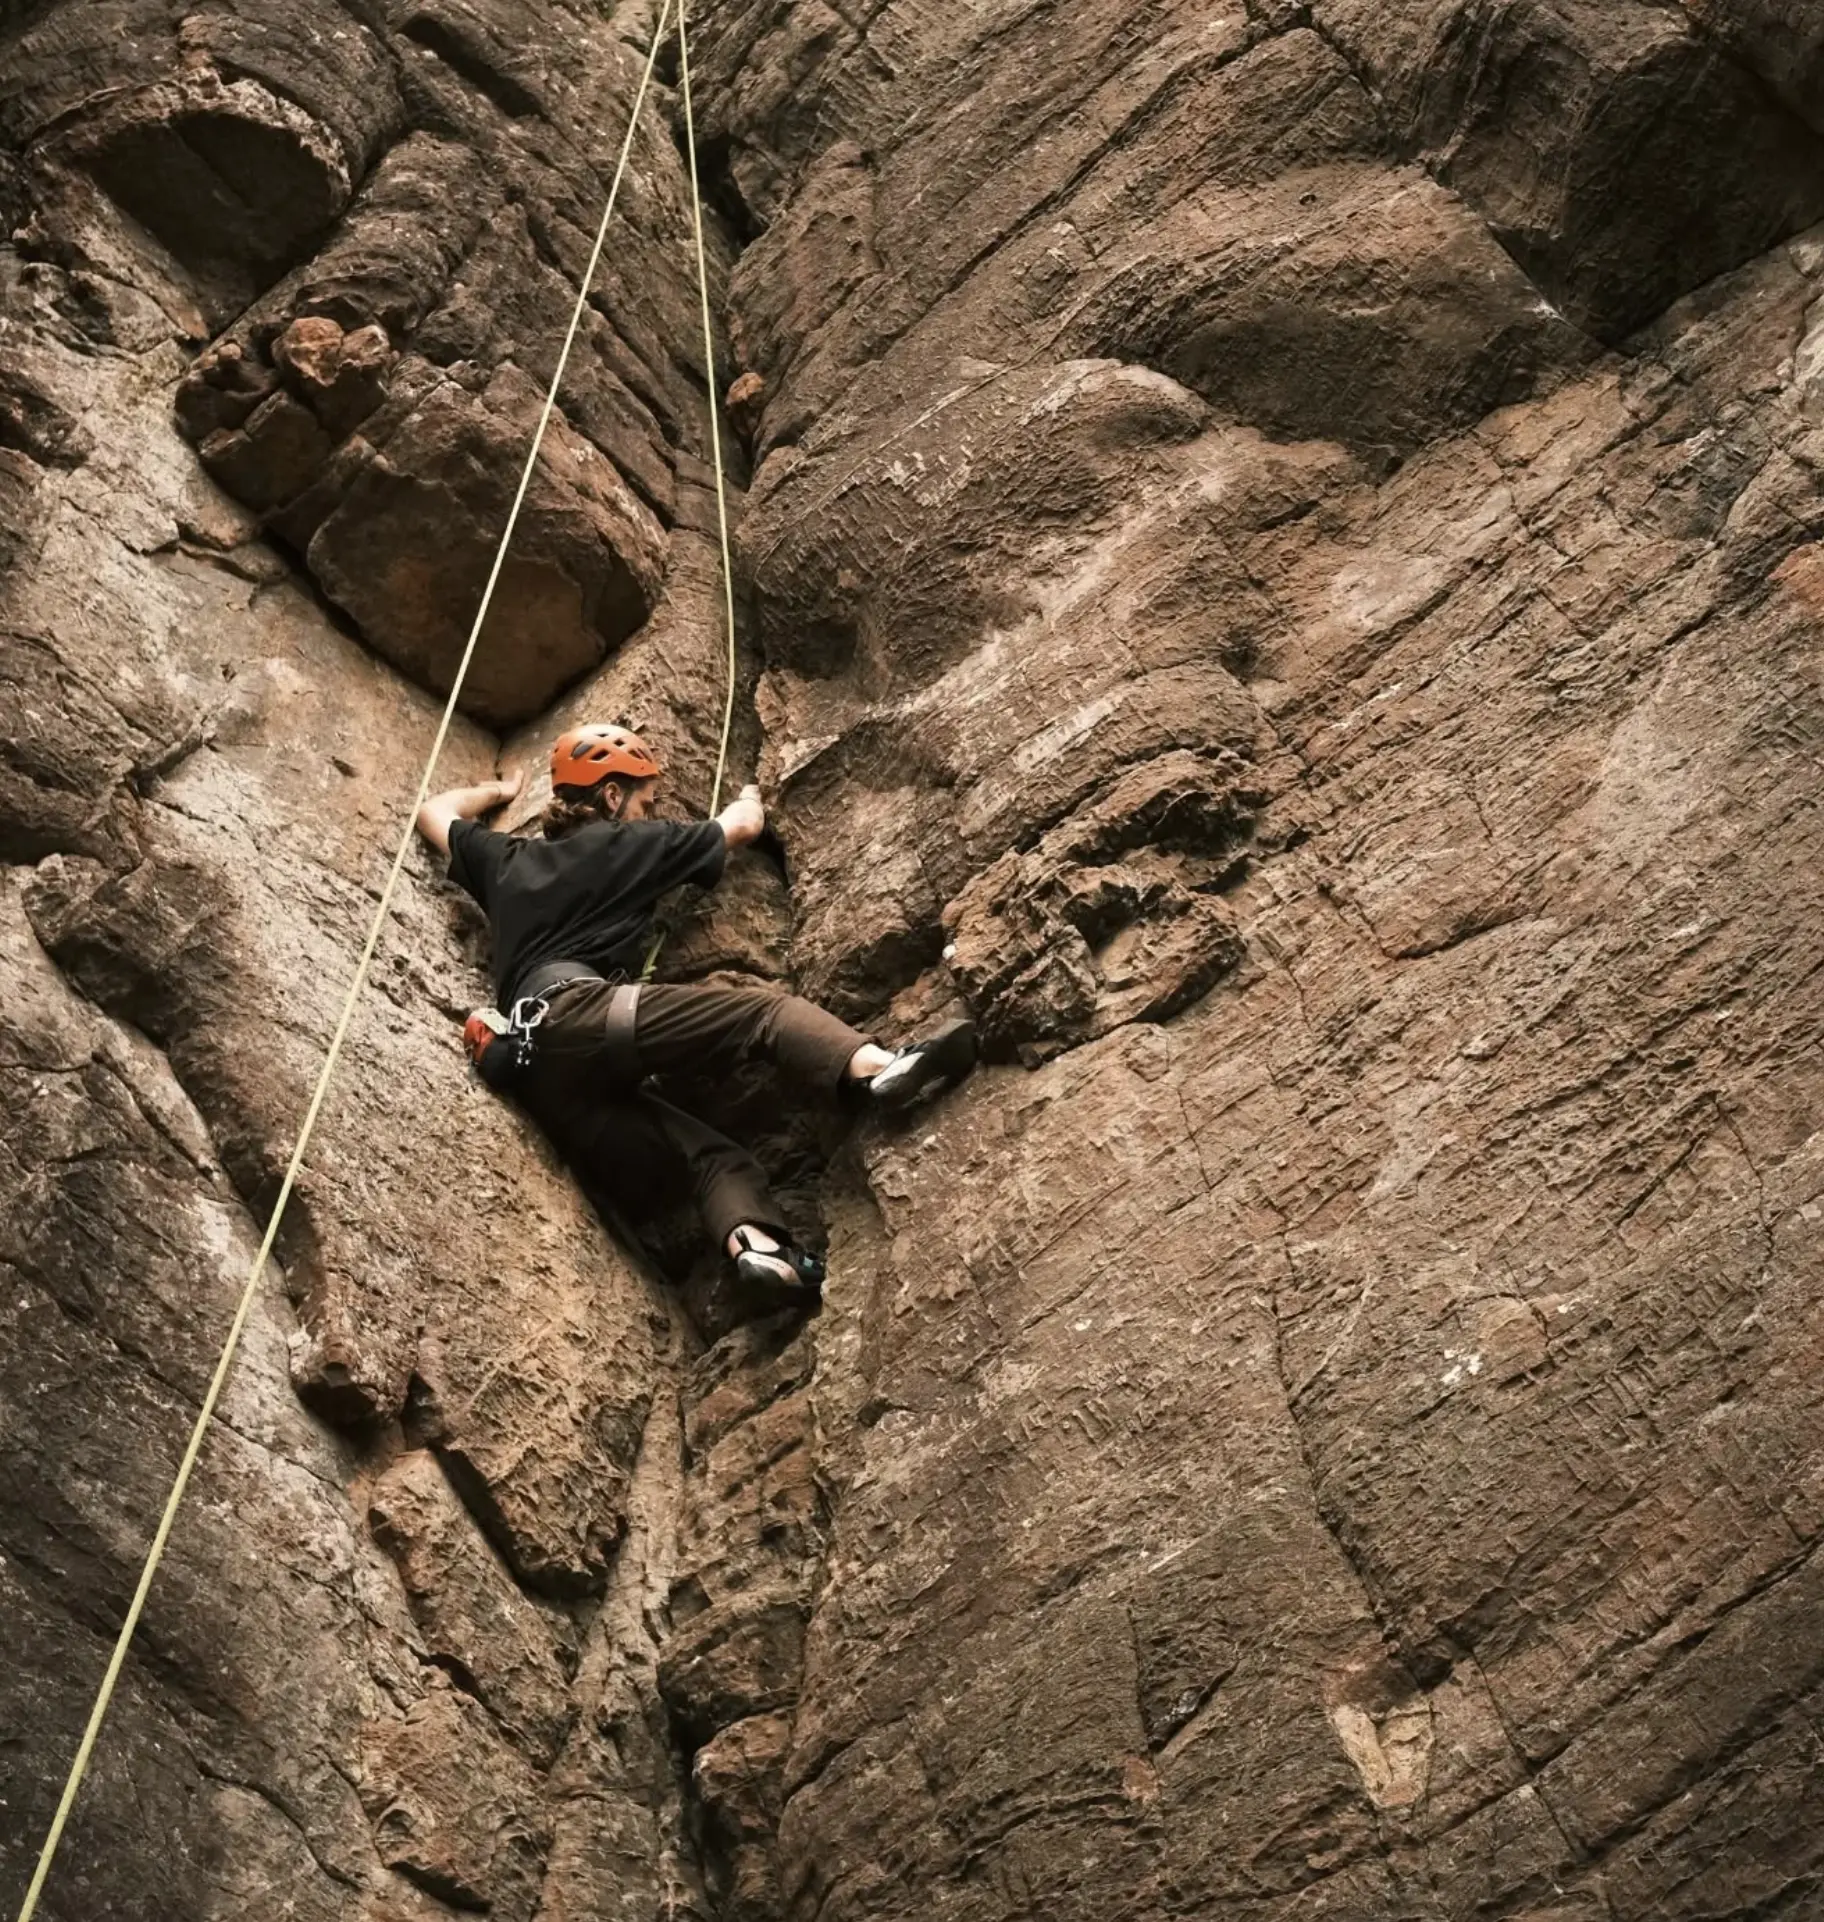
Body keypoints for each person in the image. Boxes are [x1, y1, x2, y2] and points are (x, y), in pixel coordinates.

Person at [416, 723, 977, 1303]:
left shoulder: (503, 860)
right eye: (645, 800)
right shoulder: (634, 843)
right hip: (587, 1013)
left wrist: (502, 790)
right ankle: (876, 1066)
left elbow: (435, 810)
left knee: (707, 1156)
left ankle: (761, 1252)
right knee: (763, 1015)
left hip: (538, 1075)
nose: (649, 810)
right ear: (612, 797)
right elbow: (743, 826)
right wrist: (754, 793)